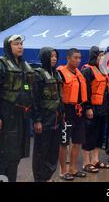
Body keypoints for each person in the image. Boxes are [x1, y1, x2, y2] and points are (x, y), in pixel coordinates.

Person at [0, 35, 35, 182]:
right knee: (2, 157)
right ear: (8, 46)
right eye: (16, 44)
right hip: (5, 115)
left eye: (21, 44)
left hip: (21, 116)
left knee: (15, 155)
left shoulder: (24, 65)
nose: (20, 46)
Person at [32, 47, 63, 182]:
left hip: (56, 119)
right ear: (45, 57)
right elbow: (35, 99)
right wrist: (37, 120)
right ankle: (40, 178)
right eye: (51, 56)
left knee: (53, 151)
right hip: (44, 120)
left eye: (55, 56)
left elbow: (60, 98)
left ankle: (47, 177)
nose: (54, 59)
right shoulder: (38, 75)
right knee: (41, 151)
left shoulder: (57, 74)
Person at [57, 48, 88, 180]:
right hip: (66, 112)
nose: (78, 60)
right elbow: (57, 95)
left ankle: (73, 168)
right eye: (75, 58)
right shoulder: (60, 73)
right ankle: (63, 171)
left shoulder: (79, 73)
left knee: (78, 141)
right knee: (64, 143)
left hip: (79, 112)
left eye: (79, 58)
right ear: (68, 58)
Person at [81, 46, 109, 172]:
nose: (103, 58)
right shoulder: (87, 71)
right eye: (100, 55)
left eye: (103, 55)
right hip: (92, 109)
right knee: (89, 135)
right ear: (94, 56)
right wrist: (88, 107)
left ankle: (95, 160)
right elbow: (84, 92)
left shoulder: (103, 71)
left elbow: (106, 91)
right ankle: (86, 162)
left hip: (102, 109)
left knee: (98, 136)